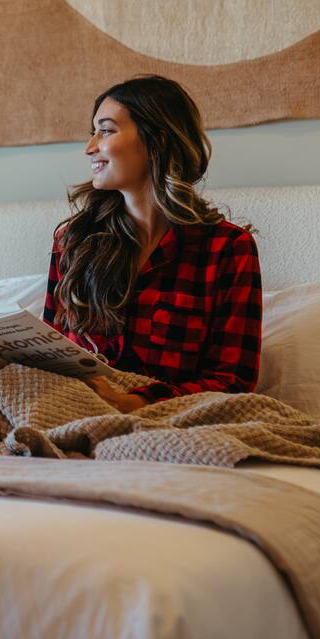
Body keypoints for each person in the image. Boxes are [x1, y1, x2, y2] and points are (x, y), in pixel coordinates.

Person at [42, 75, 262, 412]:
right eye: (93, 132)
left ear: (155, 139)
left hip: (168, 418)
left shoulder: (227, 249)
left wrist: (133, 402)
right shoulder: (73, 240)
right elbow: (49, 349)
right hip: (69, 408)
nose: (90, 147)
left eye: (106, 131)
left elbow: (233, 381)